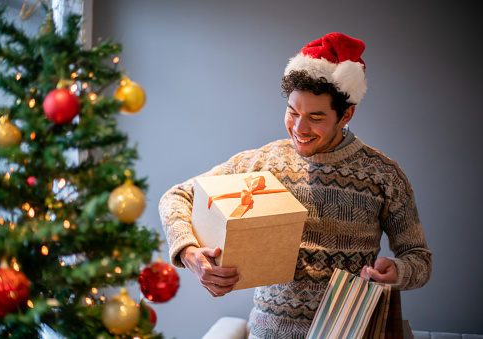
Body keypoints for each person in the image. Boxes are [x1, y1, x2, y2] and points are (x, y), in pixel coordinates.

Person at [159, 32, 432, 339]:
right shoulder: (264, 163)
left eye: (315, 117)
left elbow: (419, 258)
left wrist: (399, 272)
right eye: (292, 112)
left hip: (350, 331)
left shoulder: (384, 175)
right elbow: (177, 196)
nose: (299, 128)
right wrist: (188, 252)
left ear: (346, 115)